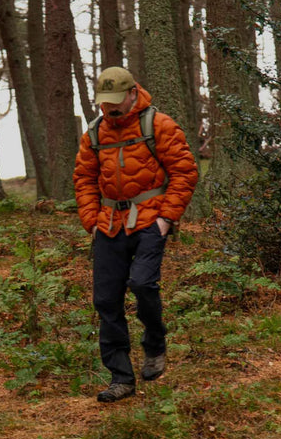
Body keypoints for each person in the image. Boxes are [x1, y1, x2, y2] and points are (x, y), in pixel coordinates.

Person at [74, 67, 199, 403]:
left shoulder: (159, 125)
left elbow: (185, 171)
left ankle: (155, 343)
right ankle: (121, 378)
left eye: (116, 101)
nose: (111, 109)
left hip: (150, 220)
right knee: (105, 301)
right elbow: (84, 178)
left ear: (132, 93)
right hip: (109, 224)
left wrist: (166, 219)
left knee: (142, 283)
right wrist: (91, 220)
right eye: (105, 103)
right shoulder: (94, 133)